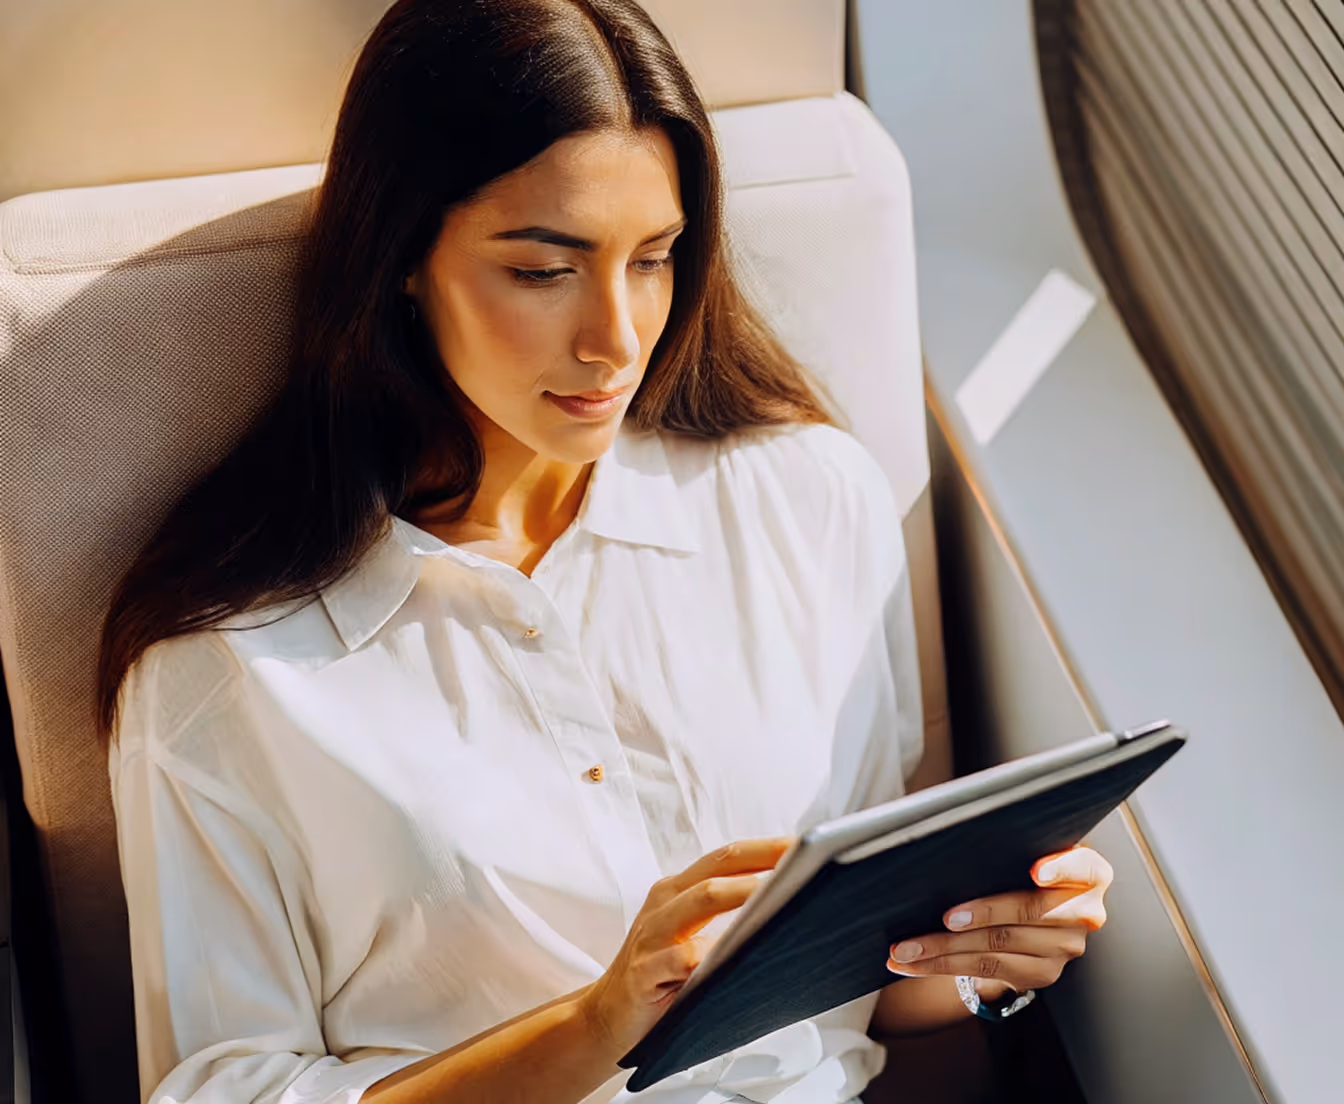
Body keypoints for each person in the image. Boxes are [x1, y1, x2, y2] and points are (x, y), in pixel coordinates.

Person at [97, 1, 1114, 1101]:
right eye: (544, 270)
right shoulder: (228, 665)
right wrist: (596, 1023)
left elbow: (850, 991)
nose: (617, 341)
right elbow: (223, 1088)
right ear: (399, 258)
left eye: (655, 259)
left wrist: (984, 959)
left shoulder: (805, 502)